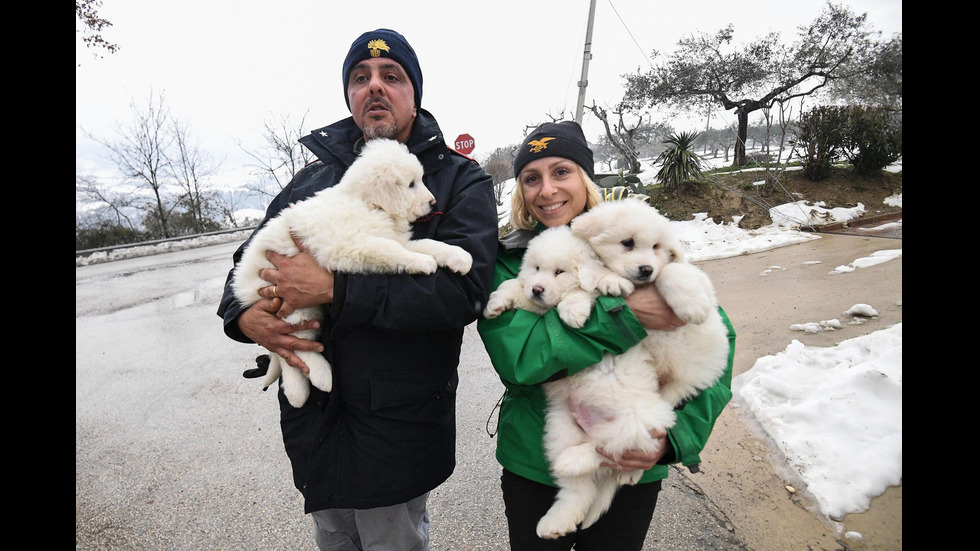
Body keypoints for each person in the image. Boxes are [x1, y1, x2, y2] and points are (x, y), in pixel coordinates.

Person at [216, 28, 498, 551]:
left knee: (393, 540)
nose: (375, 87)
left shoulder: (459, 182)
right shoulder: (310, 181)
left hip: (399, 421)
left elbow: (466, 292)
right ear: (348, 96)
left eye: (391, 77)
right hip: (316, 422)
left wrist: (336, 290)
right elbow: (248, 261)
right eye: (360, 78)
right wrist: (242, 317)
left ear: (414, 93)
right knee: (333, 538)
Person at [477, 121, 736, 551]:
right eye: (531, 178)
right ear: (519, 191)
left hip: (634, 456)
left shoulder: (632, 242)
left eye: (562, 171)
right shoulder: (509, 263)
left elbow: (711, 347)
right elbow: (520, 357)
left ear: (586, 178)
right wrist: (626, 316)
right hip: (536, 463)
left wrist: (672, 439)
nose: (547, 189)